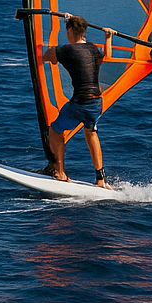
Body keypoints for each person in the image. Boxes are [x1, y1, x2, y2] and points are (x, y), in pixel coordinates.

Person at [40, 15, 116, 188]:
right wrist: (108, 37)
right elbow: (106, 57)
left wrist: (60, 27)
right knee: (91, 134)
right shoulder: (93, 48)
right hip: (97, 102)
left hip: (80, 103)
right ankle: (101, 180)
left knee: (54, 130)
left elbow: (47, 56)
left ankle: (59, 172)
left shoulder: (67, 50)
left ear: (70, 31)